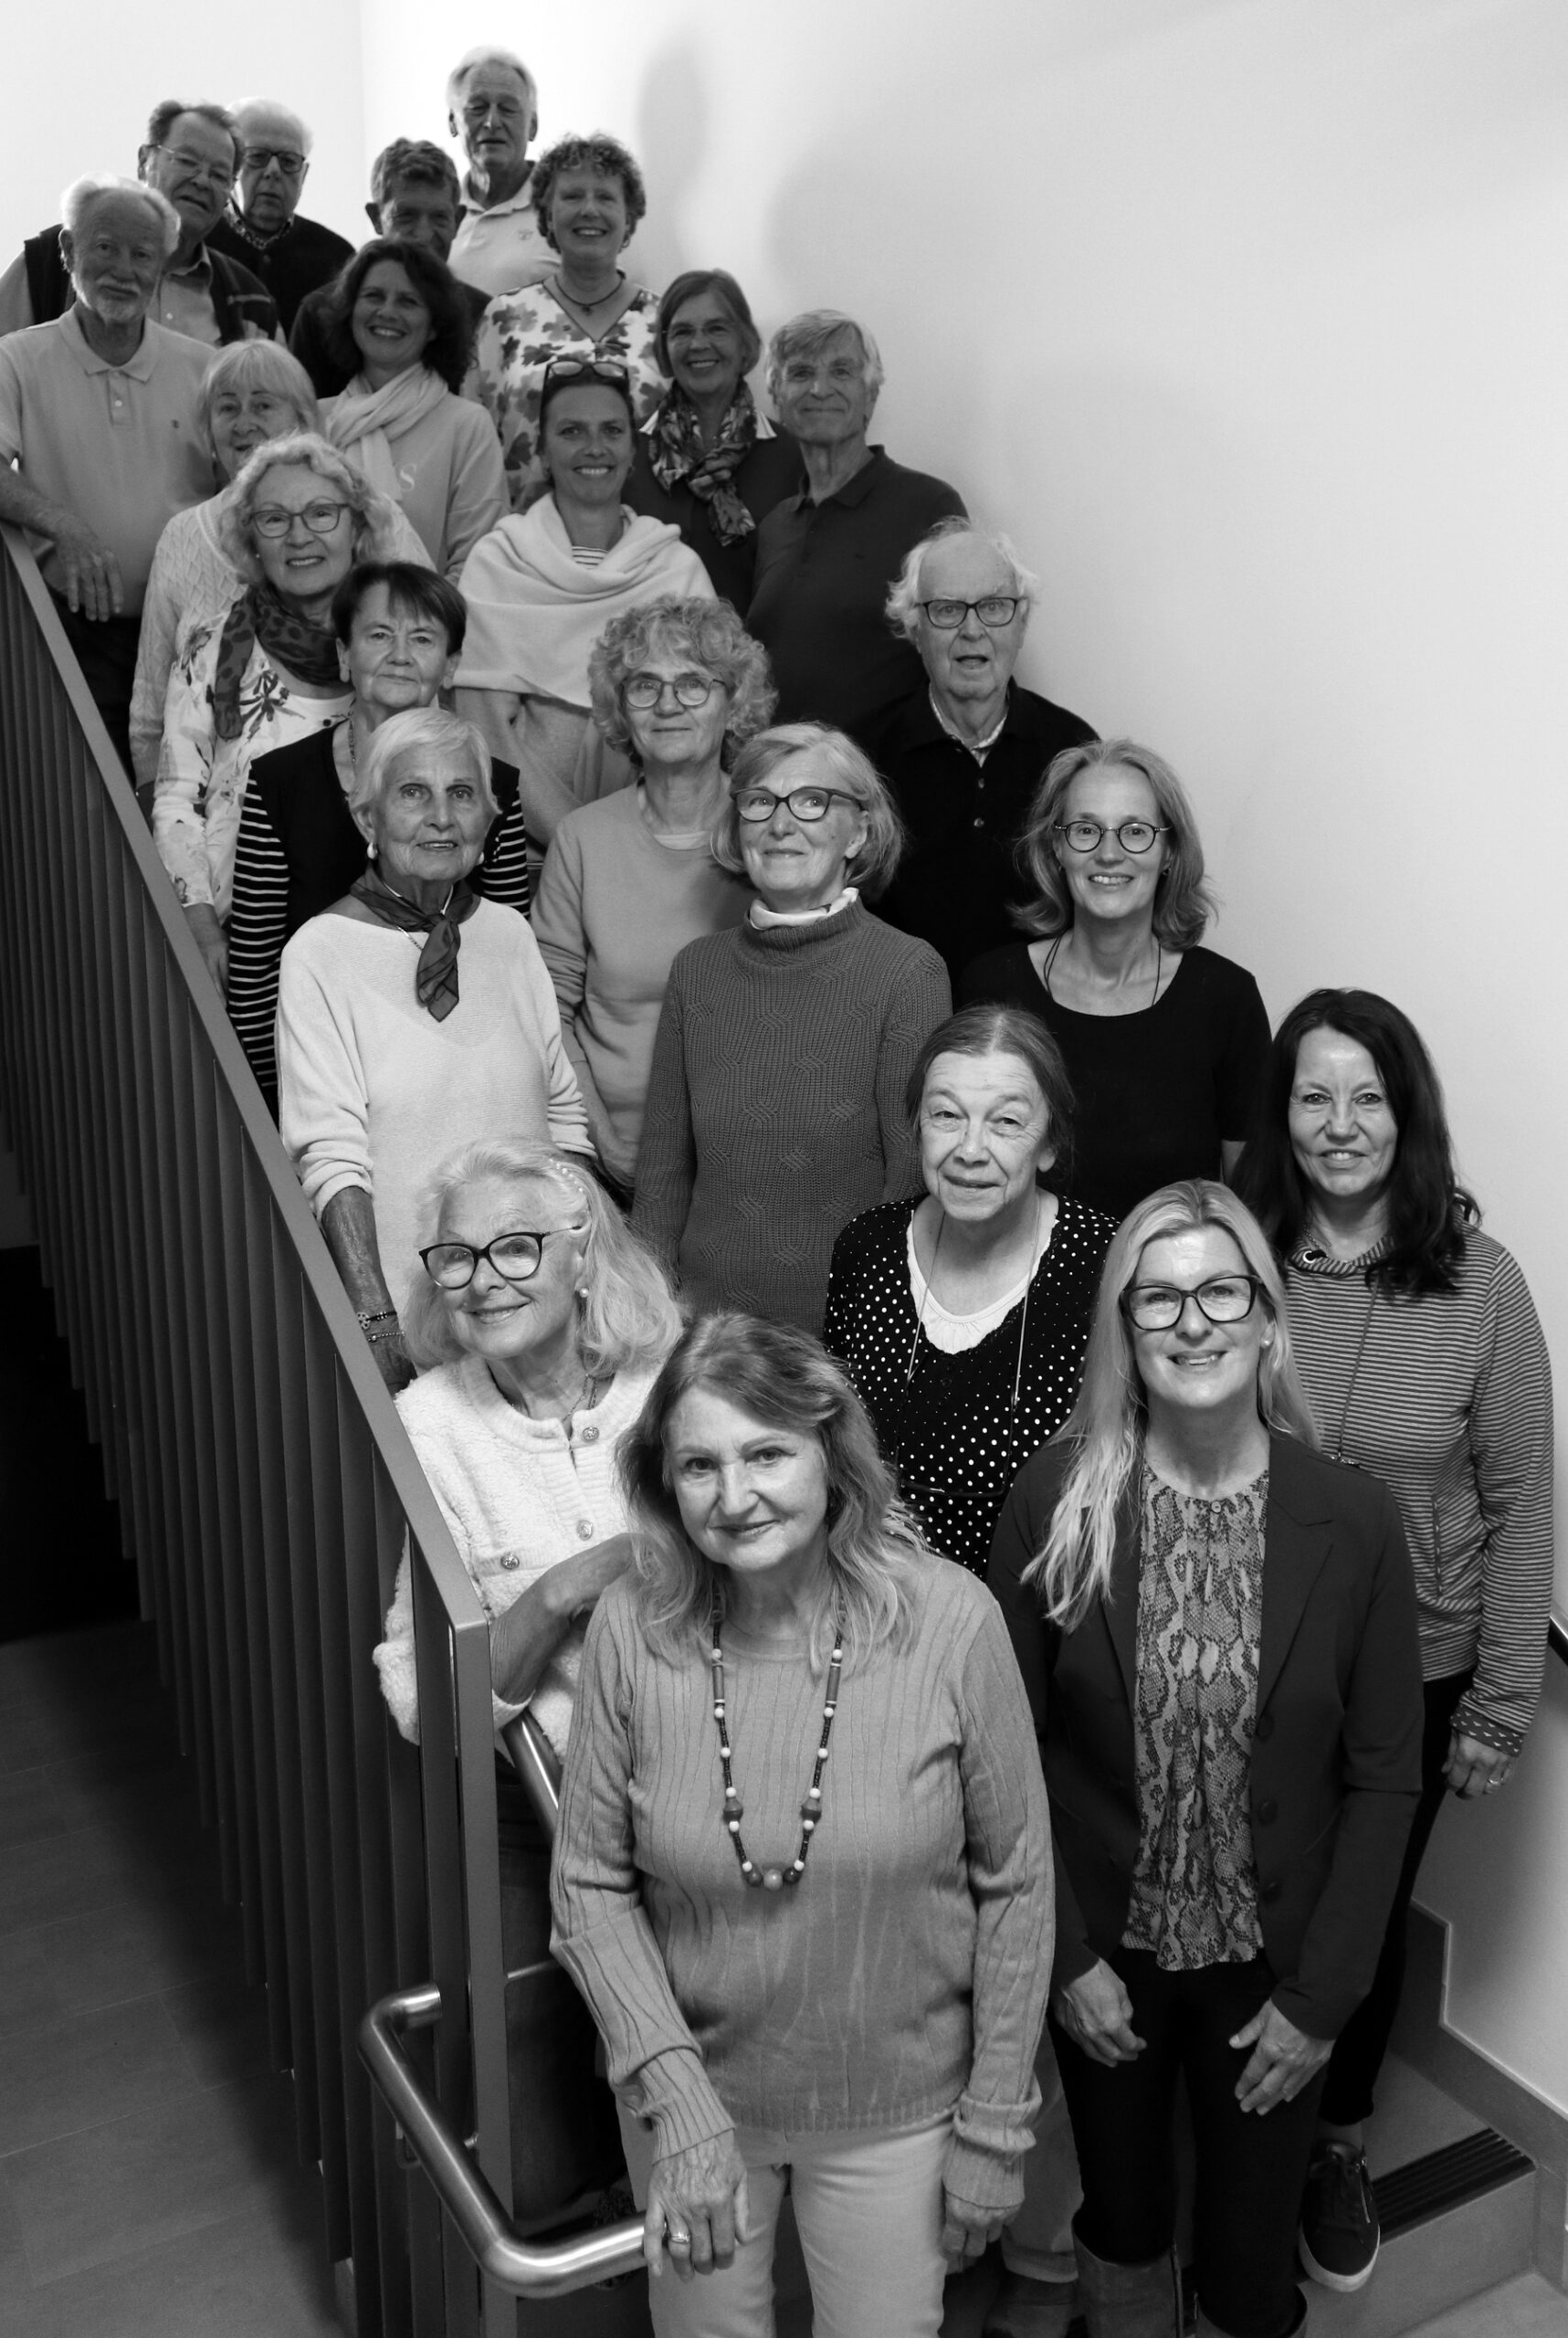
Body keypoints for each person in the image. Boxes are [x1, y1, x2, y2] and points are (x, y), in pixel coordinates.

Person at [551, 1311, 1053, 2338]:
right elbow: (589, 1885)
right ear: (664, 1484)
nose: (734, 1497)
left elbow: (1018, 1881)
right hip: (691, 2095)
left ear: (830, 1449)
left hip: (899, 2103)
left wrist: (997, 2124)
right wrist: (679, 2103)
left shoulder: (950, 1619)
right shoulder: (632, 1630)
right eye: (699, 1465)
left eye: (767, 1453)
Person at [987, 1179, 1423, 2338]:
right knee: (1124, 2221)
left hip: (1272, 1969)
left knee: (1247, 2258)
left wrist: (1321, 2002)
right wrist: (1061, 1958)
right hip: (1105, 1958)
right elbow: (1002, 1753)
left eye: (1222, 1291)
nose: (1193, 1322)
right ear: (1124, 1331)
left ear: (1267, 1319)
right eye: (1159, 1298)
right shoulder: (1055, 1500)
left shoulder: (1355, 1519)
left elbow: (1385, 1778)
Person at [1232, 989, 1554, 2295]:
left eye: (1368, 1096)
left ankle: (1337, 2143)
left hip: (1415, 1672)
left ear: (1407, 1114)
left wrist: (1503, 1700)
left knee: (1355, 1923)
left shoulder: (1482, 1281)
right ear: (1280, 1115)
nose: (1340, 1123)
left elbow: (1521, 1495)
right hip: (1245, 1656)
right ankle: (1240, 2134)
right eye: (1313, 1095)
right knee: (1247, 1903)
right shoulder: (1237, 1257)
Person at [276, 708, 590, 1391]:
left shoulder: (510, 936)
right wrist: (376, 1326)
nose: (441, 817)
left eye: (462, 793)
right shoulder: (319, 954)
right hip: (412, 1318)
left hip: (532, 1312)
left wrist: (583, 1271)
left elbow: (563, 1121)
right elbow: (330, 1158)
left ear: (489, 819)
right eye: (413, 793)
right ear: (368, 818)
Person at [631, 723, 950, 1337]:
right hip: (706, 1335)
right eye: (760, 801)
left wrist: (869, 1328)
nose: (781, 824)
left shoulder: (909, 971)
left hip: (850, 1334)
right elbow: (662, 1175)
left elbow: (912, 1182)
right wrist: (650, 1318)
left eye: (812, 801)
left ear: (858, 830)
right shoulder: (696, 971)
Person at [374, 1138, 680, 1751]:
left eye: (517, 1248)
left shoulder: (678, 1383)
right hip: (575, 1787)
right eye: (457, 1256)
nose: (483, 1281)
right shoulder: (430, 1425)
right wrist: (558, 1593)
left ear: (582, 1259)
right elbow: (423, 1703)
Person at [226, 562, 527, 1110]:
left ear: (451, 665)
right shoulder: (280, 782)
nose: (400, 655)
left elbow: (509, 960)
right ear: (345, 654)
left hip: (464, 1078)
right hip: (315, 1085)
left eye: (423, 638)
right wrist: (290, 1108)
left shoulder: (493, 786)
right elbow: (254, 983)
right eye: (380, 634)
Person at [826, 1006, 1113, 1576]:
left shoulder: (1105, 1260)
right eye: (946, 1115)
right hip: (881, 1592)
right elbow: (831, 1444)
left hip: (1041, 1598)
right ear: (917, 1128)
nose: (970, 1149)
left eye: (1006, 1122)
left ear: (1050, 1143)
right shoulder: (868, 1246)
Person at [0, 176, 216, 769]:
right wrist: (62, 525)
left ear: (161, 268)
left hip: (190, 636)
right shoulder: (16, 357)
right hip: (74, 634)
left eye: (142, 255)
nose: (123, 270)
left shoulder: (205, 368)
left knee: (187, 794)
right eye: (105, 247)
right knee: (93, 800)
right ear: (68, 252)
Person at [961, 741, 1270, 1222]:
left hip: (1167, 1270)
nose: (1109, 853)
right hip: (1017, 1270)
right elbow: (961, 1167)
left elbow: (1254, 1208)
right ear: (1057, 847)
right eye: (1086, 830)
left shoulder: (1226, 999)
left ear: (1169, 852)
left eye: (1135, 832)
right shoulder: (992, 987)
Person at [531, 597, 774, 1190]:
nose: (668, 705)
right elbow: (547, 1017)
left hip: (751, 1155)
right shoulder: (582, 839)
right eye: (645, 685)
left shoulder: (770, 831)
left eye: (692, 683)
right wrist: (606, 1146)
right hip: (606, 1155)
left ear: (732, 702)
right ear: (621, 707)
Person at [153, 432, 402, 988]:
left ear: (357, 527)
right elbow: (176, 799)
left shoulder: (393, 648)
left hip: (368, 936)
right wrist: (201, 930)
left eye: (321, 513)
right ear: (251, 541)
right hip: (235, 935)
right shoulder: (209, 646)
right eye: (274, 519)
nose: (299, 536)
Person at [128, 342, 430, 792]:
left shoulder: (370, 513)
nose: (243, 423)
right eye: (226, 408)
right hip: (215, 805)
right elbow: (151, 711)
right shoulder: (181, 536)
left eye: (263, 405)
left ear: (303, 421)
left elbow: (429, 655)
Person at [453, 359, 713, 860]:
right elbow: (485, 733)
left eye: (612, 431)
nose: (595, 447)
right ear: (543, 452)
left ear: (632, 451)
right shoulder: (497, 564)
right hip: (522, 853)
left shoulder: (679, 572)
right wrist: (580, 842)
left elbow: (699, 730)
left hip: (656, 848)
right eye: (572, 431)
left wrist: (636, 841)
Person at [0, 100, 275, 441]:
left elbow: (277, 406)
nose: (202, 180)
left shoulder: (249, 299)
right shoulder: (62, 255)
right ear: (145, 161)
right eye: (187, 161)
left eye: (219, 175)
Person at [864, 521, 1098, 985]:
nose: (972, 630)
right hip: (898, 1013)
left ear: (1022, 623)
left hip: (1038, 1016)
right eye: (948, 610)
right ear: (916, 629)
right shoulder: (861, 758)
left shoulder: (1075, 752)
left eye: (993, 607)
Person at [744, 311, 965, 742]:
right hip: (779, 772)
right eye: (800, 373)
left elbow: (961, 654)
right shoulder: (774, 525)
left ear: (870, 395)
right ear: (777, 398)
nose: (819, 388)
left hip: (883, 774)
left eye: (841, 371)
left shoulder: (929, 507)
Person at [470, 133, 666, 511]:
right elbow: (475, 446)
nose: (589, 209)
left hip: (645, 537)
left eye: (605, 197)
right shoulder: (503, 318)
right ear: (547, 215)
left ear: (629, 218)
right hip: (524, 535)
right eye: (573, 196)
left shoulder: (665, 320)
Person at [318, 238, 507, 579]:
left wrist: (411, 614)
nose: (387, 312)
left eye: (408, 301)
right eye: (373, 296)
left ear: (434, 326)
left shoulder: (467, 426)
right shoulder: (315, 421)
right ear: (351, 311)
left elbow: (478, 565)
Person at [624, 271, 805, 613]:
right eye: (682, 331)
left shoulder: (792, 457)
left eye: (717, 328)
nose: (698, 344)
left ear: (745, 342)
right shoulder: (626, 453)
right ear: (664, 348)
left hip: (753, 645)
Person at [289, 141, 489, 398]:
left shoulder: (484, 316)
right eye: (406, 216)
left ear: (458, 220)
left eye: (439, 217)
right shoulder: (320, 315)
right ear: (375, 217)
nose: (423, 234)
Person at [206, 100, 354, 330]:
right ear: (231, 166)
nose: (273, 172)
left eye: (288, 161)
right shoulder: (200, 240)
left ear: (303, 175)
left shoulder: (337, 257)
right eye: (257, 157)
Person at [444, 47, 559, 297]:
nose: (492, 122)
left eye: (508, 109)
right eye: (477, 107)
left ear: (533, 126)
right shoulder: (438, 213)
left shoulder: (562, 209)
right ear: (453, 122)